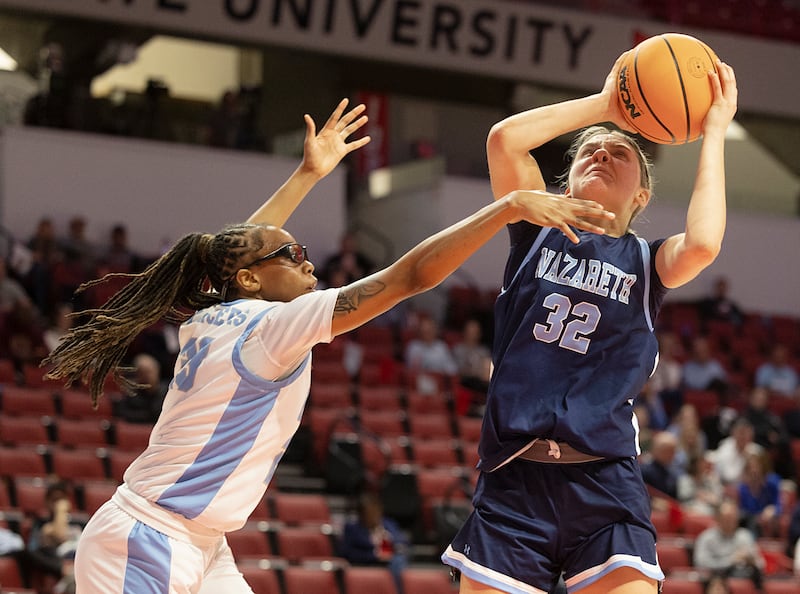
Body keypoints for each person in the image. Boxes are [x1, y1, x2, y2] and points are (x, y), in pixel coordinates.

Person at [41, 99, 617, 593]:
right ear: (252, 279)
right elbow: (408, 278)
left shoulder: (218, 312)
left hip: (200, 543)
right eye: (292, 255)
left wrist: (307, 174)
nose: (307, 259)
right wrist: (507, 207)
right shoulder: (270, 326)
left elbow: (234, 253)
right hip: (149, 540)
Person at [440, 49, 738, 594]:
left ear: (642, 193)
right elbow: (505, 141)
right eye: (588, 151)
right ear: (566, 180)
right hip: (514, 481)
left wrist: (714, 130)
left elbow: (703, 244)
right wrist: (605, 106)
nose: (601, 150)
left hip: (605, 484)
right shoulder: (532, 232)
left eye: (620, 151)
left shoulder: (648, 263)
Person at [339, 492, 409, 594]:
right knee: (397, 562)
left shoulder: (389, 524)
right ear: (361, 515)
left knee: (398, 560)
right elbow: (347, 553)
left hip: (389, 561)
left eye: (377, 511)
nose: (375, 515)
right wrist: (374, 555)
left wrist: (390, 541)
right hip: (367, 563)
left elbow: (402, 542)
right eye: (370, 512)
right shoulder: (352, 528)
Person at [693, 498, 764, 591]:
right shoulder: (706, 538)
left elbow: (761, 564)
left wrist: (751, 561)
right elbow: (701, 564)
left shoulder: (745, 536)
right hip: (715, 584)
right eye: (727, 518)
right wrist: (730, 561)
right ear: (717, 518)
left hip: (742, 582)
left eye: (733, 517)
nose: (731, 521)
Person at [26, 482, 84, 594]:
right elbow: (33, 551)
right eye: (54, 500)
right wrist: (60, 567)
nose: (58, 503)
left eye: (62, 499)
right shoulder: (43, 525)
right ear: (47, 502)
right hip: (65, 574)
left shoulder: (80, 522)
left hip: (83, 566)